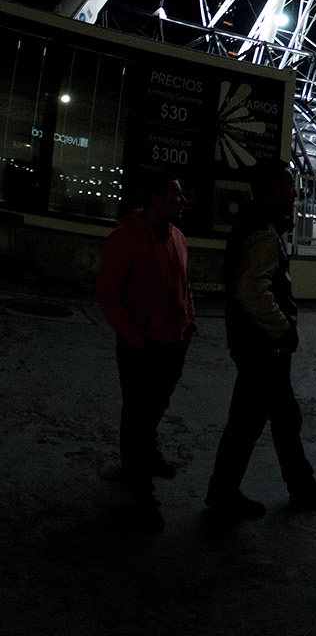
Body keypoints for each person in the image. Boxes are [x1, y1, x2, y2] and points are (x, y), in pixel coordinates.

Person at [206, 163, 316, 520]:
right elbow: (252, 290)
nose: (295, 193)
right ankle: (225, 493)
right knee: (249, 422)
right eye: (288, 186)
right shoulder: (264, 233)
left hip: (254, 343)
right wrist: (282, 329)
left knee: (283, 417)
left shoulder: (253, 224)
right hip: (264, 346)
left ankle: (299, 485)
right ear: (273, 190)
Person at [95, 172, 195, 532]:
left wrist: (188, 320)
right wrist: (133, 337)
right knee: (137, 415)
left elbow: (183, 284)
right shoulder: (124, 240)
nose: (183, 200)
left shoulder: (177, 237)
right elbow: (107, 294)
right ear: (156, 198)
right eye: (177, 193)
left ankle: (145, 456)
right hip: (142, 345)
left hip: (174, 342)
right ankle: (142, 494)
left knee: (155, 406)